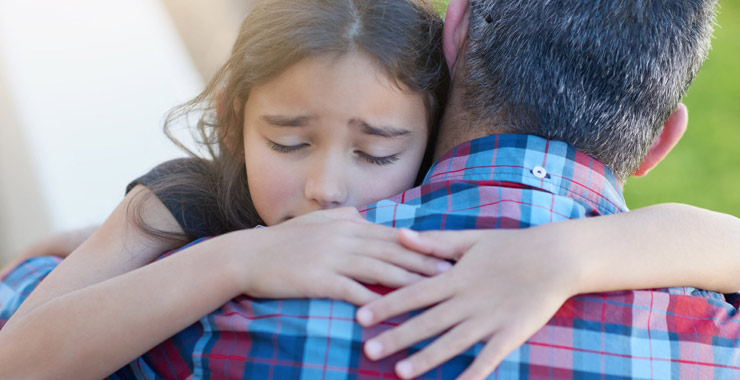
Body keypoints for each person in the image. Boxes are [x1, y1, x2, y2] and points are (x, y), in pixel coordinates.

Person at [1, 0, 739, 379]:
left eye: (377, 148)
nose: (328, 189)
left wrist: (574, 256)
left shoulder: (190, 321)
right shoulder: (713, 333)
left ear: (452, 51)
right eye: (291, 141)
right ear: (664, 140)